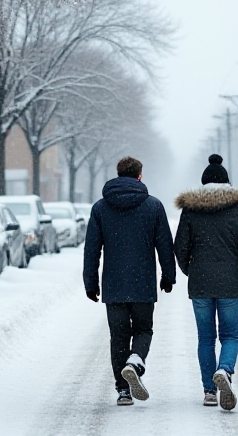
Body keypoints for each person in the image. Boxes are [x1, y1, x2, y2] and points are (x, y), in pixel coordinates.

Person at [173, 154, 238, 410]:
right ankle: (224, 370)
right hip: (231, 284)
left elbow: (179, 247)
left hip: (201, 284)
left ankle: (209, 391)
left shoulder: (191, 212)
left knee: (205, 338)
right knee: (229, 336)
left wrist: (190, 270)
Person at [84, 156, 177, 406]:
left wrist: (90, 282)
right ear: (139, 176)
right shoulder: (153, 206)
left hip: (114, 284)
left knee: (118, 336)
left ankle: (123, 391)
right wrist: (169, 275)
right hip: (143, 283)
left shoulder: (101, 208)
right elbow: (164, 246)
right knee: (143, 329)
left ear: (117, 174)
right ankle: (136, 360)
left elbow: (92, 249)